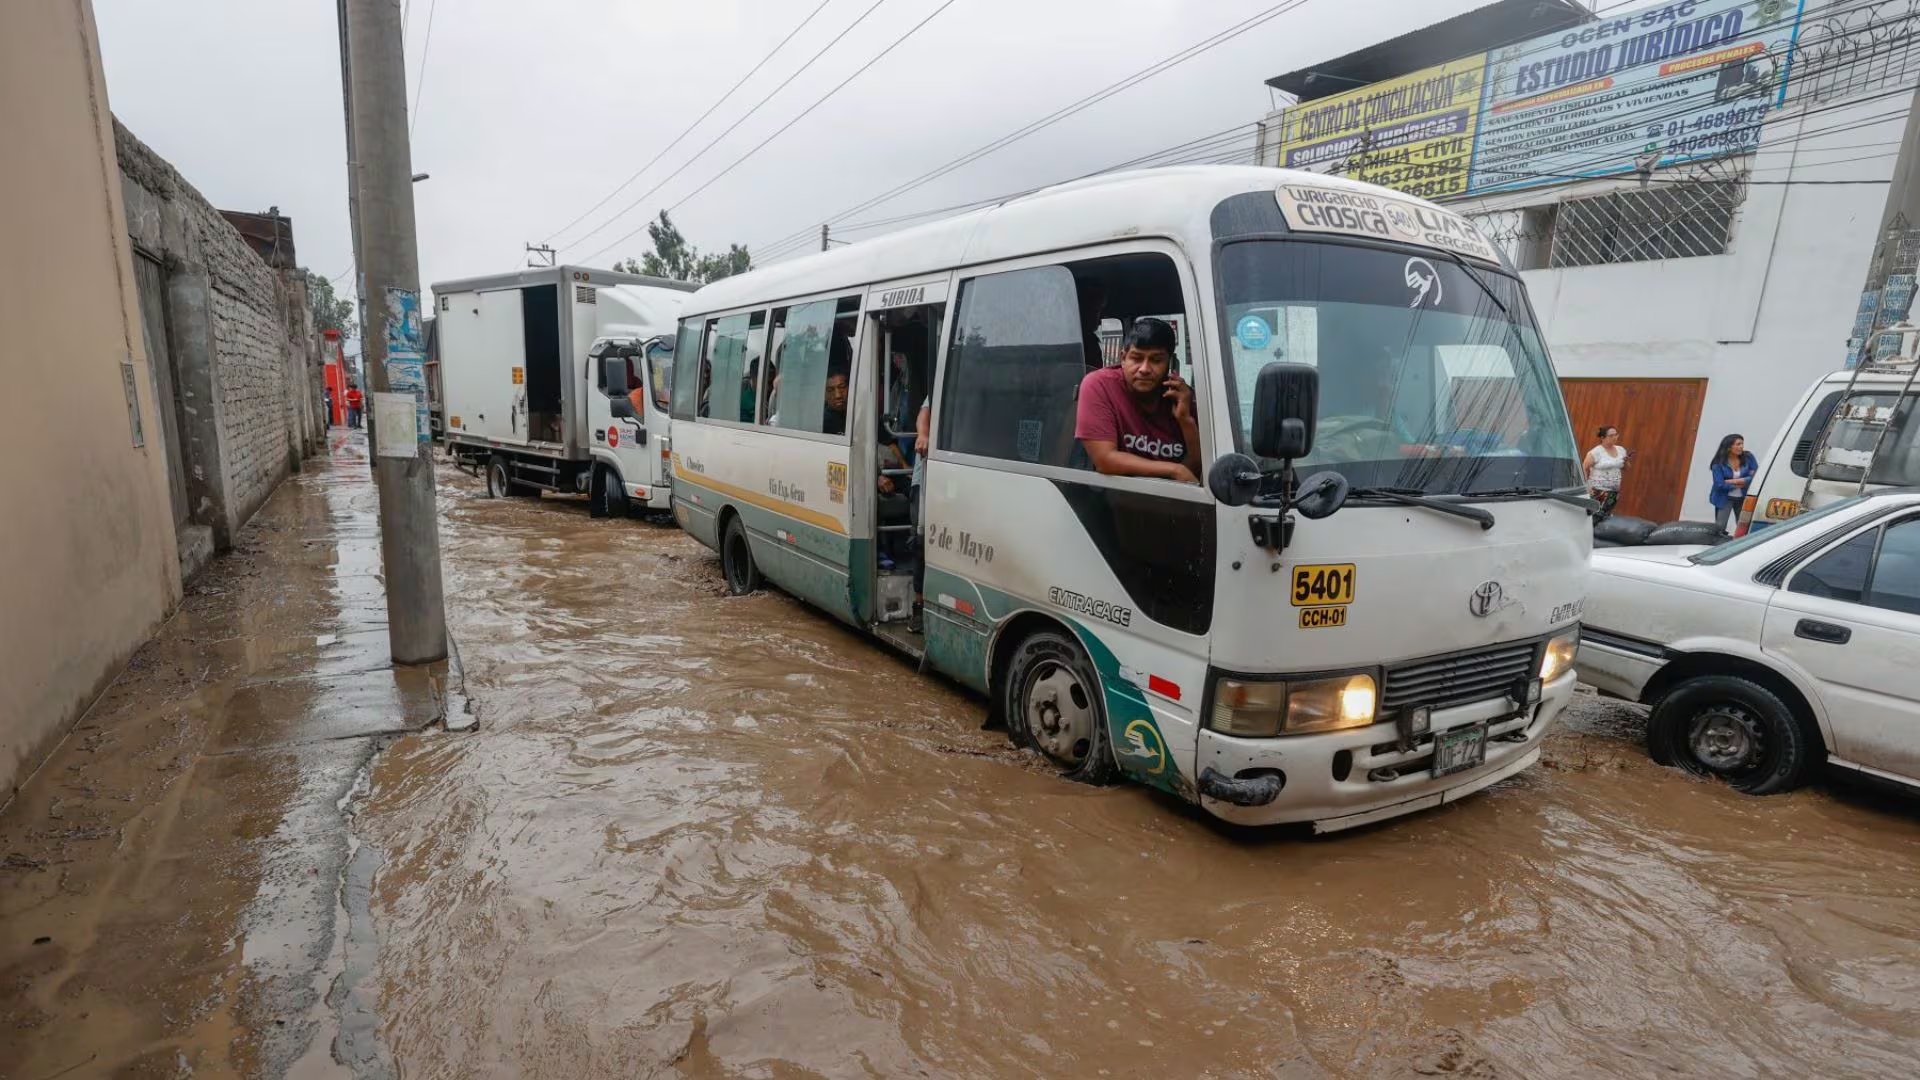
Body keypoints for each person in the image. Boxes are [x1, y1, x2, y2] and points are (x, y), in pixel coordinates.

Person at [1074, 317, 1201, 484]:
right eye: (1136, 358)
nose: (1144, 369)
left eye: (1156, 360)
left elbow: (1194, 472)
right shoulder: (1099, 385)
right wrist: (1174, 470)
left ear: (1170, 363)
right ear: (1123, 358)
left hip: (1172, 499)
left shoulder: (1180, 396)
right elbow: (1105, 460)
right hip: (1116, 498)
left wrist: (1186, 421)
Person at [1709, 433, 1758, 533]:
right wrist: (1742, 481)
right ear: (1728, 447)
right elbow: (1720, 485)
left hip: (1743, 497)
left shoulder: (1748, 457)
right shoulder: (1718, 463)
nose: (1741, 447)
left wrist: (1737, 481)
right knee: (1720, 527)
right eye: (1738, 444)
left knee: (1744, 527)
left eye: (1742, 444)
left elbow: (1756, 475)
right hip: (1724, 498)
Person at [1585, 426, 1627, 519]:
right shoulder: (1595, 452)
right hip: (1597, 492)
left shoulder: (1621, 450)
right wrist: (1587, 487)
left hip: (1613, 493)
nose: (1614, 437)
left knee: (1604, 517)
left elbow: (1626, 467)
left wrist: (1625, 461)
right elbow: (1583, 468)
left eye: (1616, 435)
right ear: (1602, 438)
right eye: (1611, 435)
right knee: (1593, 517)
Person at [822, 365, 850, 436]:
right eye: (830, 390)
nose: (838, 395)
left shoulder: (864, 415)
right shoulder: (822, 424)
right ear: (824, 395)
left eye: (842, 387)